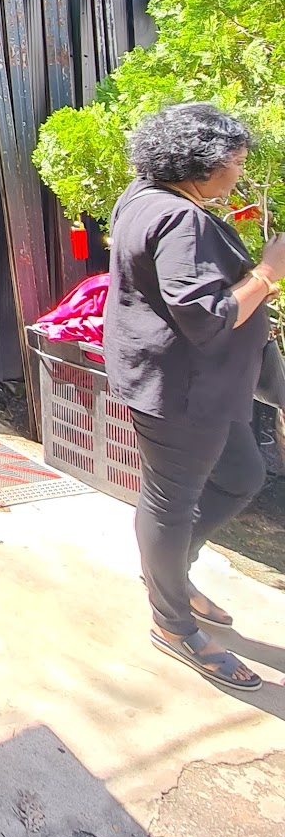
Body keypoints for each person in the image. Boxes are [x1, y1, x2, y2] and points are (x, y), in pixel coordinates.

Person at [103, 103, 285, 692]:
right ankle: (172, 622)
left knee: (241, 475)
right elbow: (208, 316)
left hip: (192, 382)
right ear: (203, 163)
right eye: (237, 161)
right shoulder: (180, 219)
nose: (240, 171)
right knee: (171, 503)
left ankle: (170, 574)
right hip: (179, 389)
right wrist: (268, 272)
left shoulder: (143, 196)